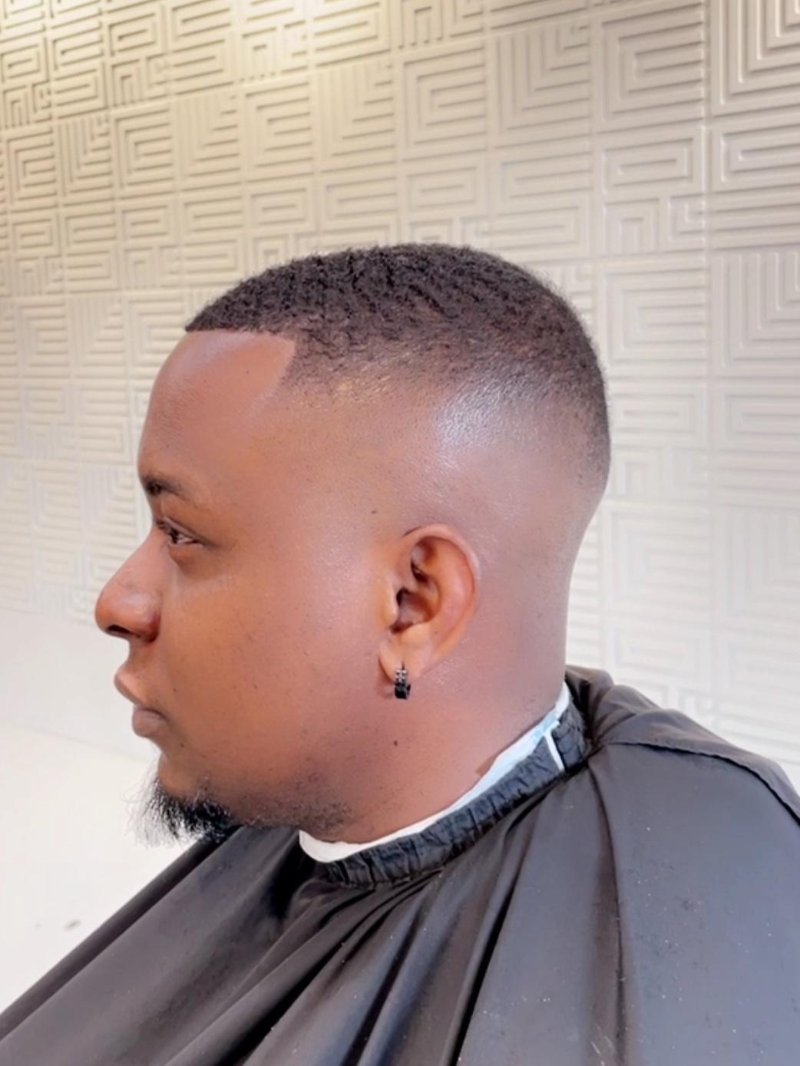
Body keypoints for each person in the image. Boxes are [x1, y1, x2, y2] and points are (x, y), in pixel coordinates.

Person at [1, 244, 798, 1066]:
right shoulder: (306, 788)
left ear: (415, 603)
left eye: (182, 534)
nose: (118, 603)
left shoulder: (693, 922)